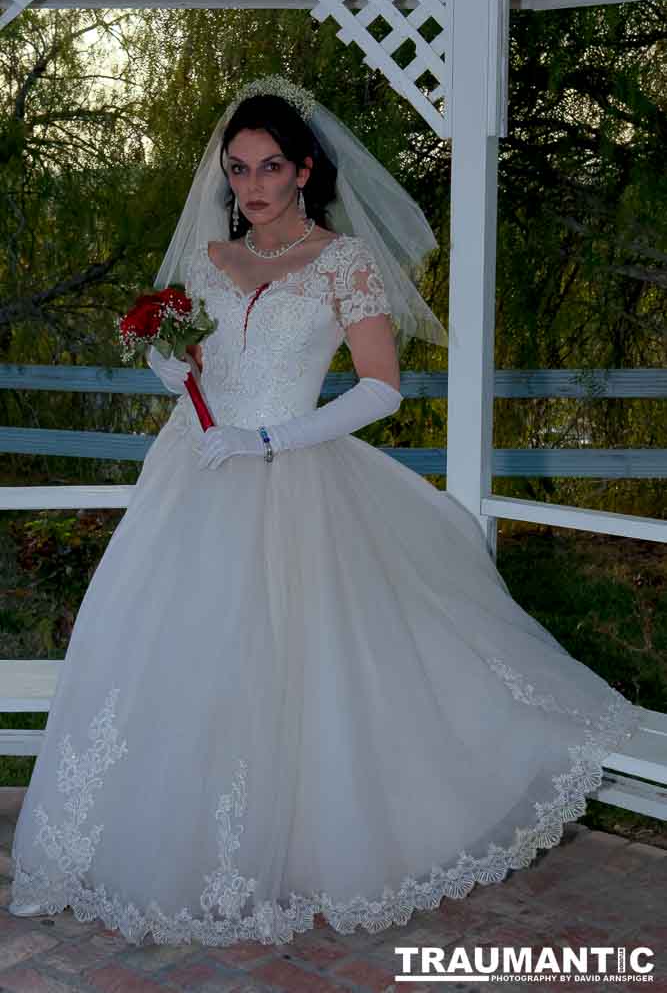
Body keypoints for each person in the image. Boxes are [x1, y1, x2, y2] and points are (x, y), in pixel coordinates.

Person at [9, 75, 642, 948]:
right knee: (162, 657)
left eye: (271, 167)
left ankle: (291, 850)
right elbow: (193, 363)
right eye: (238, 170)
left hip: (294, 472)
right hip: (194, 474)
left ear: (303, 171)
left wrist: (272, 439)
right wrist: (173, 373)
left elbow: (381, 389)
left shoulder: (342, 262)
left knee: (296, 661)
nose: (253, 186)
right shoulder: (206, 261)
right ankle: (109, 852)